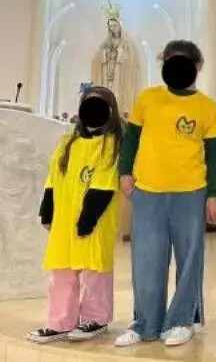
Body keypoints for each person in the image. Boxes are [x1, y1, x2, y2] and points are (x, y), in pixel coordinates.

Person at [116, 40, 216, 347]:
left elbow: (214, 155)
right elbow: (131, 139)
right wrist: (124, 173)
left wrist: (214, 194)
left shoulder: (207, 107)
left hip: (191, 192)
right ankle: (146, 322)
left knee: (189, 258)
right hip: (148, 191)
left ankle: (181, 320)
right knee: (147, 258)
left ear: (197, 66)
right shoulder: (148, 99)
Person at [28, 87, 122, 344]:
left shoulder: (111, 145)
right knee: (62, 271)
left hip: (95, 219)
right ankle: (60, 321)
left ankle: (97, 317)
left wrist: (88, 218)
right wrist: (47, 211)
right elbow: (53, 178)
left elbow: (104, 183)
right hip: (64, 219)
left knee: (94, 269)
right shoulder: (66, 143)